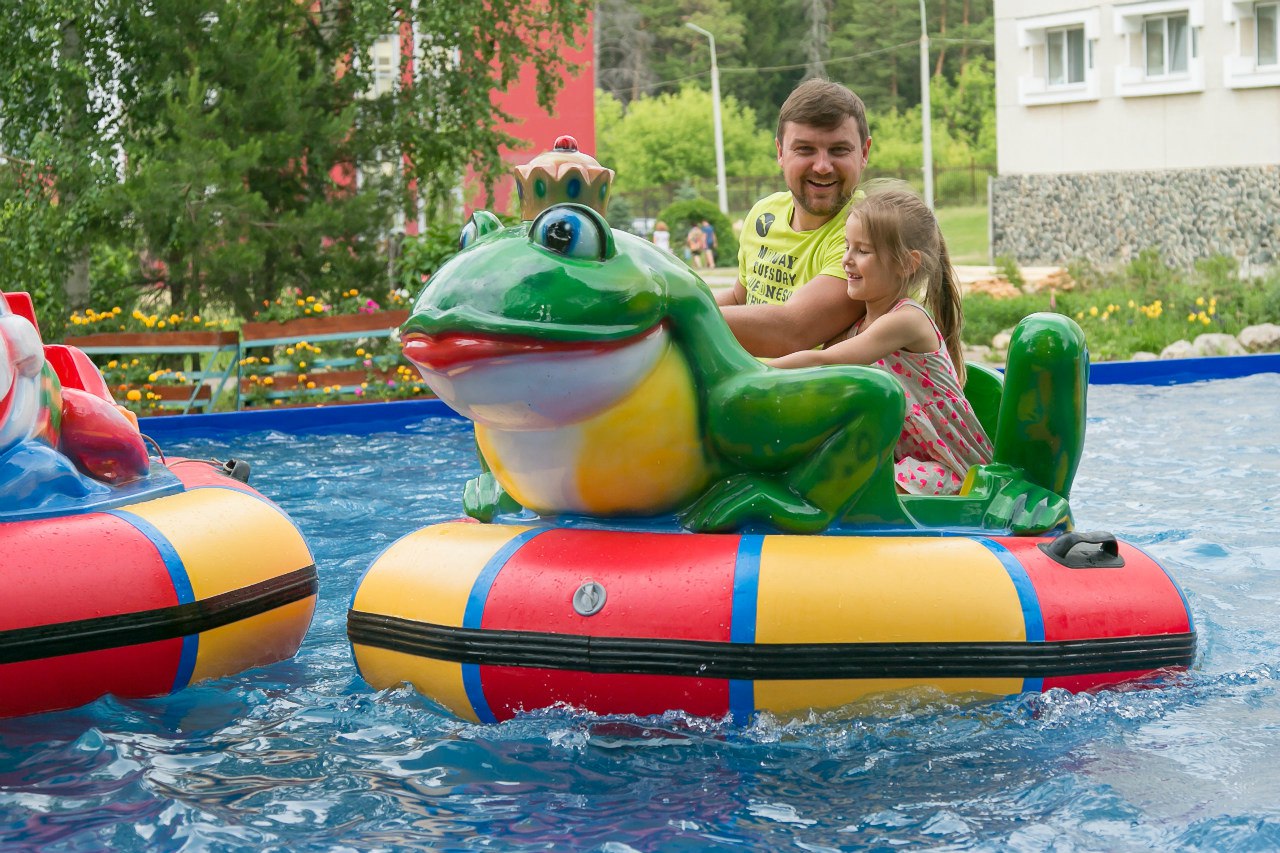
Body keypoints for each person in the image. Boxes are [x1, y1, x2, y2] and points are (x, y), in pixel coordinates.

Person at [770, 183, 992, 496]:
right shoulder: (856, 326)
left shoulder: (906, 320)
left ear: (907, 263)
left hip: (954, 471)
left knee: (861, 489)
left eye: (862, 251)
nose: (846, 259)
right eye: (847, 246)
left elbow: (824, 360)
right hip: (900, 460)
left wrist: (754, 374)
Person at [717, 79, 873, 357]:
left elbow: (791, 331)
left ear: (864, 153)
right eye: (805, 149)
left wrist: (681, 313)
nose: (822, 166)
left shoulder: (870, 231)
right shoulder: (764, 214)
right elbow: (741, 299)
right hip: (752, 379)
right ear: (780, 152)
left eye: (839, 150)